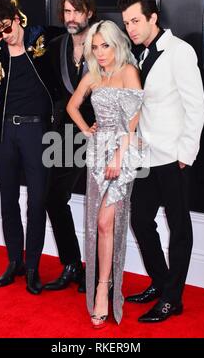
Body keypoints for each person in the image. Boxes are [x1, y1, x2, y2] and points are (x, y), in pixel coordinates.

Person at [118, 0, 204, 322]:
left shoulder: (180, 52)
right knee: (140, 219)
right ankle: (161, 282)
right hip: (147, 156)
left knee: (179, 227)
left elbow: (196, 105)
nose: (131, 29)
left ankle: (173, 299)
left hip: (174, 157)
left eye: (136, 21)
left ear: (154, 17)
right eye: (127, 23)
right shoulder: (138, 57)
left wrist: (186, 153)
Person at [0, 0, 53, 294]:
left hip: (36, 131)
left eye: (8, 27)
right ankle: (14, 261)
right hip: (3, 133)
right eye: (0, 32)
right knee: (8, 200)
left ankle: (33, 269)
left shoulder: (41, 39)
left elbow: (73, 44)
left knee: (37, 201)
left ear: (18, 19)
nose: (7, 35)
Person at [67, 20, 145, 328]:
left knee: (104, 221)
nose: (100, 53)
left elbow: (134, 122)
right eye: (95, 47)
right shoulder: (93, 75)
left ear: (117, 44)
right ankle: (104, 284)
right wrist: (87, 129)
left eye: (105, 46)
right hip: (98, 154)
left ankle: (103, 288)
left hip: (122, 152)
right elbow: (73, 106)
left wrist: (118, 155)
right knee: (101, 227)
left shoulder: (129, 72)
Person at [43, 0, 96, 293]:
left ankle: (100, 272)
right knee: (53, 198)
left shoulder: (104, 43)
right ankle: (72, 264)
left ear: (88, 12)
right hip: (67, 134)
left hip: (102, 132)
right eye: (67, 11)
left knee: (102, 205)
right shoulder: (56, 46)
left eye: (77, 11)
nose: (71, 17)